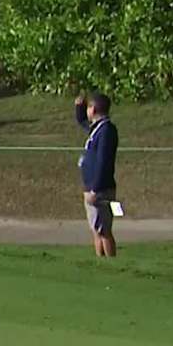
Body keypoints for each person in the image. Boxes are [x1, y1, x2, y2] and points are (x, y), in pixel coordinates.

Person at [75, 91, 120, 258]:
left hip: (101, 189)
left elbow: (104, 162)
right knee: (95, 229)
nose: (87, 111)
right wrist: (79, 107)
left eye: (87, 108)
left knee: (104, 230)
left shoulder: (107, 131)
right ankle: (100, 262)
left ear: (93, 109)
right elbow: (82, 122)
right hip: (91, 188)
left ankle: (112, 262)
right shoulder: (96, 128)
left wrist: (94, 189)